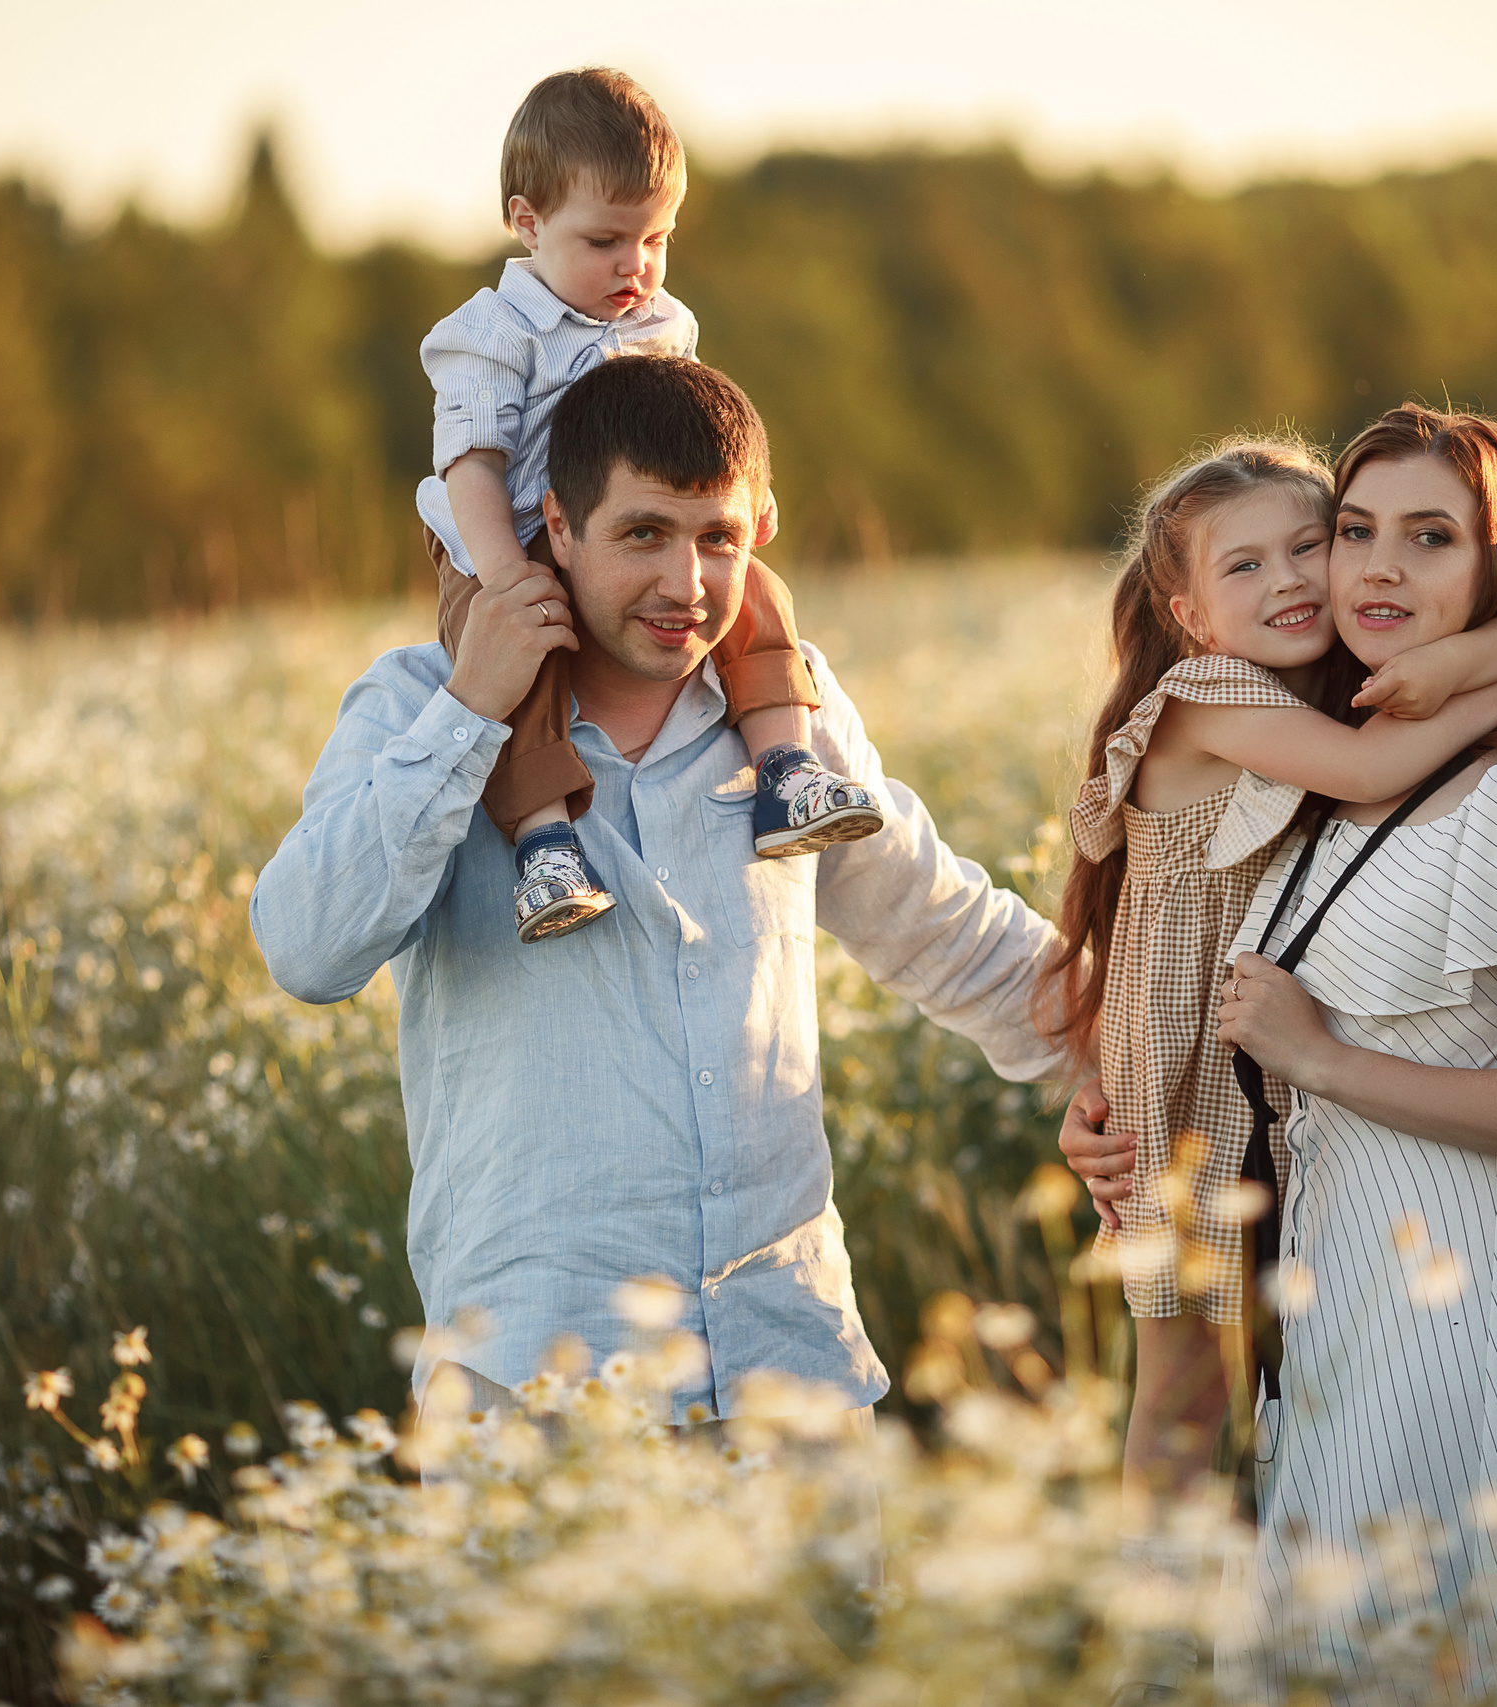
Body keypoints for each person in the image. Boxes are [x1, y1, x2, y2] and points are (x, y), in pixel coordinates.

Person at [250, 353, 1062, 1441]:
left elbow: (945, 933)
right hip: (534, 1392)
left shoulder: (784, 710)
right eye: (644, 534)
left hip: (792, 1375)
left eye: (717, 538)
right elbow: (306, 950)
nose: (686, 586)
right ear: (557, 526)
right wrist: (475, 708)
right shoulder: (416, 701)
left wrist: (1146, 1063)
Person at [1037, 435, 1497, 1702]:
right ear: (1184, 611)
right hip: (1187, 1078)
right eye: (1246, 563)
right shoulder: (1214, 696)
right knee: (1183, 1373)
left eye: (1305, 544)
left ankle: (1264, 1620)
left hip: (1251, 1064)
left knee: (1264, 1357)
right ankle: (1153, 1649)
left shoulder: (1315, 683)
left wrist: (1462, 656)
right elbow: (1384, 768)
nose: (1293, 579)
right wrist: (1492, 699)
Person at [1210, 404, 1497, 1700]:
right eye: (1355, 530)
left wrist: (1324, 1059)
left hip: (1462, 1306)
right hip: (1332, 1307)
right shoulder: (1340, 779)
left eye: (1430, 538)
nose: (1376, 569)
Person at [418, 67, 881, 945]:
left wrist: (744, 499)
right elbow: (469, 467)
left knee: (753, 595)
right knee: (526, 666)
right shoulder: (491, 334)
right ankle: (545, 837)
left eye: (656, 239)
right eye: (605, 241)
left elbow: (700, 433)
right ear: (527, 221)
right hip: (502, 537)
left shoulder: (662, 323)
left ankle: (786, 767)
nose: (635, 266)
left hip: (626, 538)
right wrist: (509, 578)